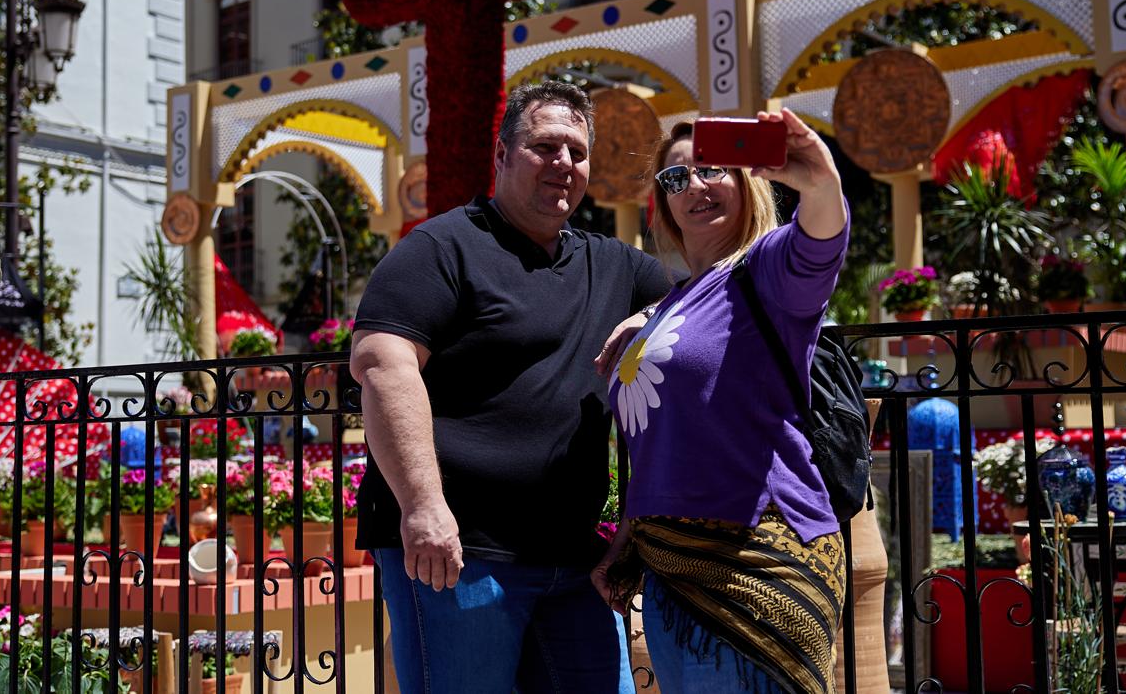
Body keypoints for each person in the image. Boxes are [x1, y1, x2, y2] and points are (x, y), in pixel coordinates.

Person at [350, 80, 671, 694]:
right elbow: (384, 365)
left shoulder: (617, 266)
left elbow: (707, 311)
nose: (564, 164)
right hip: (456, 554)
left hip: (575, 560)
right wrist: (422, 507)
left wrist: (650, 316)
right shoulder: (441, 248)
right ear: (501, 156)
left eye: (577, 152)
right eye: (544, 146)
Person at [592, 109, 850, 694]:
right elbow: (665, 442)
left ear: (747, 181)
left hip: (752, 570)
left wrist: (820, 182)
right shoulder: (672, 303)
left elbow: (818, 244)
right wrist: (626, 540)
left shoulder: (766, 270)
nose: (695, 188)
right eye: (676, 179)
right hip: (669, 573)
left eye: (712, 170)